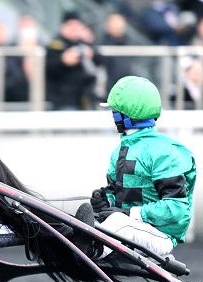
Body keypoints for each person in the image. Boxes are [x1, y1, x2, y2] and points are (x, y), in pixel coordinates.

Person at [81, 76, 196, 258]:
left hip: (161, 236)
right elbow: (118, 198)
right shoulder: (119, 151)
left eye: (114, 110)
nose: (112, 115)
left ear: (125, 114)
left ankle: (90, 251)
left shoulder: (164, 152)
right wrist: (105, 202)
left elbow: (175, 208)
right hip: (131, 229)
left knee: (120, 222)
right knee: (92, 223)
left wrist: (130, 213)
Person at [45, 11, 103, 110]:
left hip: (83, 98)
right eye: (71, 25)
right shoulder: (55, 44)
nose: (74, 29)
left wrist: (91, 53)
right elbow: (48, 67)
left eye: (77, 26)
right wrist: (63, 61)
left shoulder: (82, 43)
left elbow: (100, 59)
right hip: (62, 99)